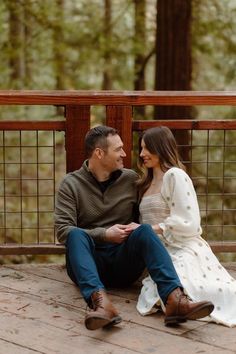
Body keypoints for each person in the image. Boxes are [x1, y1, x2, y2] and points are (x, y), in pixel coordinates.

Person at [55, 125, 214, 331]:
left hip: (124, 262)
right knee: (75, 234)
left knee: (144, 229)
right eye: (118, 149)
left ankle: (175, 301)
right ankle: (100, 304)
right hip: (88, 263)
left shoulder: (131, 180)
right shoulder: (71, 184)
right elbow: (62, 231)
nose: (124, 153)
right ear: (99, 153)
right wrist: (104, 234)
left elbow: (153, 210)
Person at [136, 126, 236, 327]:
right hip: (157, 251)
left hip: (183, 246)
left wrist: (155, 229)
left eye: (147, 148)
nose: (141, 154)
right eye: (141, 149)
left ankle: (186, 306)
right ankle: (180, 305)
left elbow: (189, 221)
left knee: (189, 282)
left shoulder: (174, 175)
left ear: (161, 148)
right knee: (162, 285)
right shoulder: (144, 183)